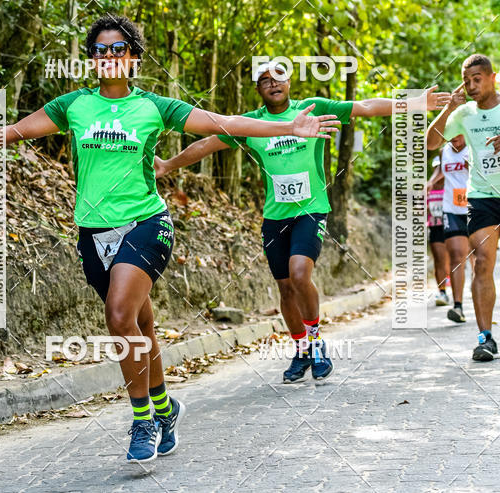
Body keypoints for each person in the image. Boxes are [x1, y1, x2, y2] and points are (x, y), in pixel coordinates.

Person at [0, 14, 340, 470]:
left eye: (118, 49)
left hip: (146, 224)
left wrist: (287, 128)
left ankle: (142, 421)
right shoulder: (73, 106)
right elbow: (15, 131)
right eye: (100, 50)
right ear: (91, 59)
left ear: (133, 58)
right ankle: (164, 408)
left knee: (119, 317)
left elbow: (224, 122)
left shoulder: (154, 107)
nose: (108, 57)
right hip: (93, 233)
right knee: (140, 328)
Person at [155, 60, 450, 384]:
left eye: (278, 77)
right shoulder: (252, 124)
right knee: (285, 288)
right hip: (274, 217)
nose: (273, 83)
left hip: (311, 210)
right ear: (257, 89)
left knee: (299, 274)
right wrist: (168, 164)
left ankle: (315, 340)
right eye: (264, 80)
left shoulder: (313, 108)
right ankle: (302, 350)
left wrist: (414, 103)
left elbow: (365, 106)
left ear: (289, 82)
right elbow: (207, 144)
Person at [427, 52, 500, 360]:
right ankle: (485, 338)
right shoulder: (464, 113)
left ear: (492, 78)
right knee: (482, 262)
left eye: (477, 79)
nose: (471, 86)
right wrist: (448, 108)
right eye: (466, 81)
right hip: (482, 197)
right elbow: (431, 142)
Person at [440, 134, 469, 323]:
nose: (454, 138)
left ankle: (482, 296)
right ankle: (458, 306)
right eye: (450, 134)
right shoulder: (443, 151)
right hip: (451, 209)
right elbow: (441, 171)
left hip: (476, 208)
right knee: (457, 256)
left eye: (458, 134)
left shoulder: (474, 147)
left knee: (481, 259)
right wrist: (430, 182)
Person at [427, 157, 451, 308]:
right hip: (435, 227)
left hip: (453, 225)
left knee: (454, 259)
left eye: (441, 167)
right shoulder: (427, 188)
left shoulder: (452, 184)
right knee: (439, 259)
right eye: (436, 168)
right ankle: (442, 292)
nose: (438, 171)